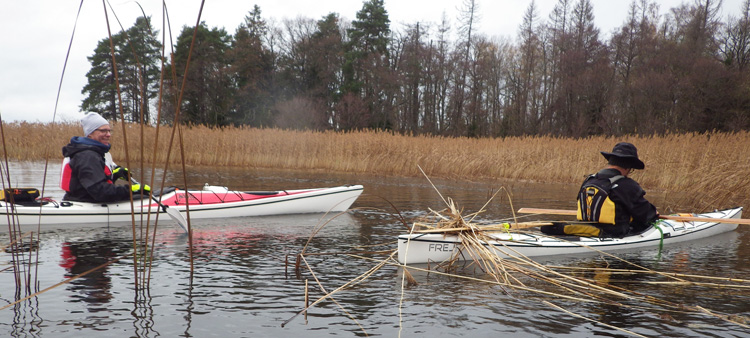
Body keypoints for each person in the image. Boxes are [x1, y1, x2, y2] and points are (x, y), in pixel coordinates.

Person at [542, 142, 659, 238]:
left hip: (585, 230)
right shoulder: (627, 185)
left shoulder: (589, 180)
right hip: (611, 234)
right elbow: (646, 214)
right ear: (628, 167)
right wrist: (654, 213)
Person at [60, 112, 149, 202]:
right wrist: (131, 190)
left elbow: (88, 184)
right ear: (90, 133)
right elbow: (101, 192)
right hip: (86, 204)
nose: (108, 134)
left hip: (84, 200)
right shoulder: (88, 156)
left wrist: (114, 175)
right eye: (103, 131)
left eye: (109, 131)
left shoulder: (90, 153)